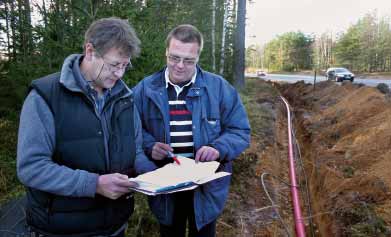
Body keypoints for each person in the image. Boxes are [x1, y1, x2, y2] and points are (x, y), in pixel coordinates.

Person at [17, 17, 154, 236]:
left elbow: (135, 151)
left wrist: (159, 177)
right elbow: (31, 167)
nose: (119, 74)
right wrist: (94, 184)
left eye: (125, 65)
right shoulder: (45, 97)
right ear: (90, 51)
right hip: (62, 230)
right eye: (113, 65)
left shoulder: (125, 99)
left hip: (115, 226)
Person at [133, 24, 251, 237]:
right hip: (166, 186)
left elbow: (240, 130)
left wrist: (218, 148)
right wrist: (150, 146)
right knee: (170, 231)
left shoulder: (218, 88)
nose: (179, 66)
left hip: (206, 187)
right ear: (166, 53)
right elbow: (131, 131)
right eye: (174, 58)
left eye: (188, 60)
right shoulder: (145, 89)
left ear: (198, 57)